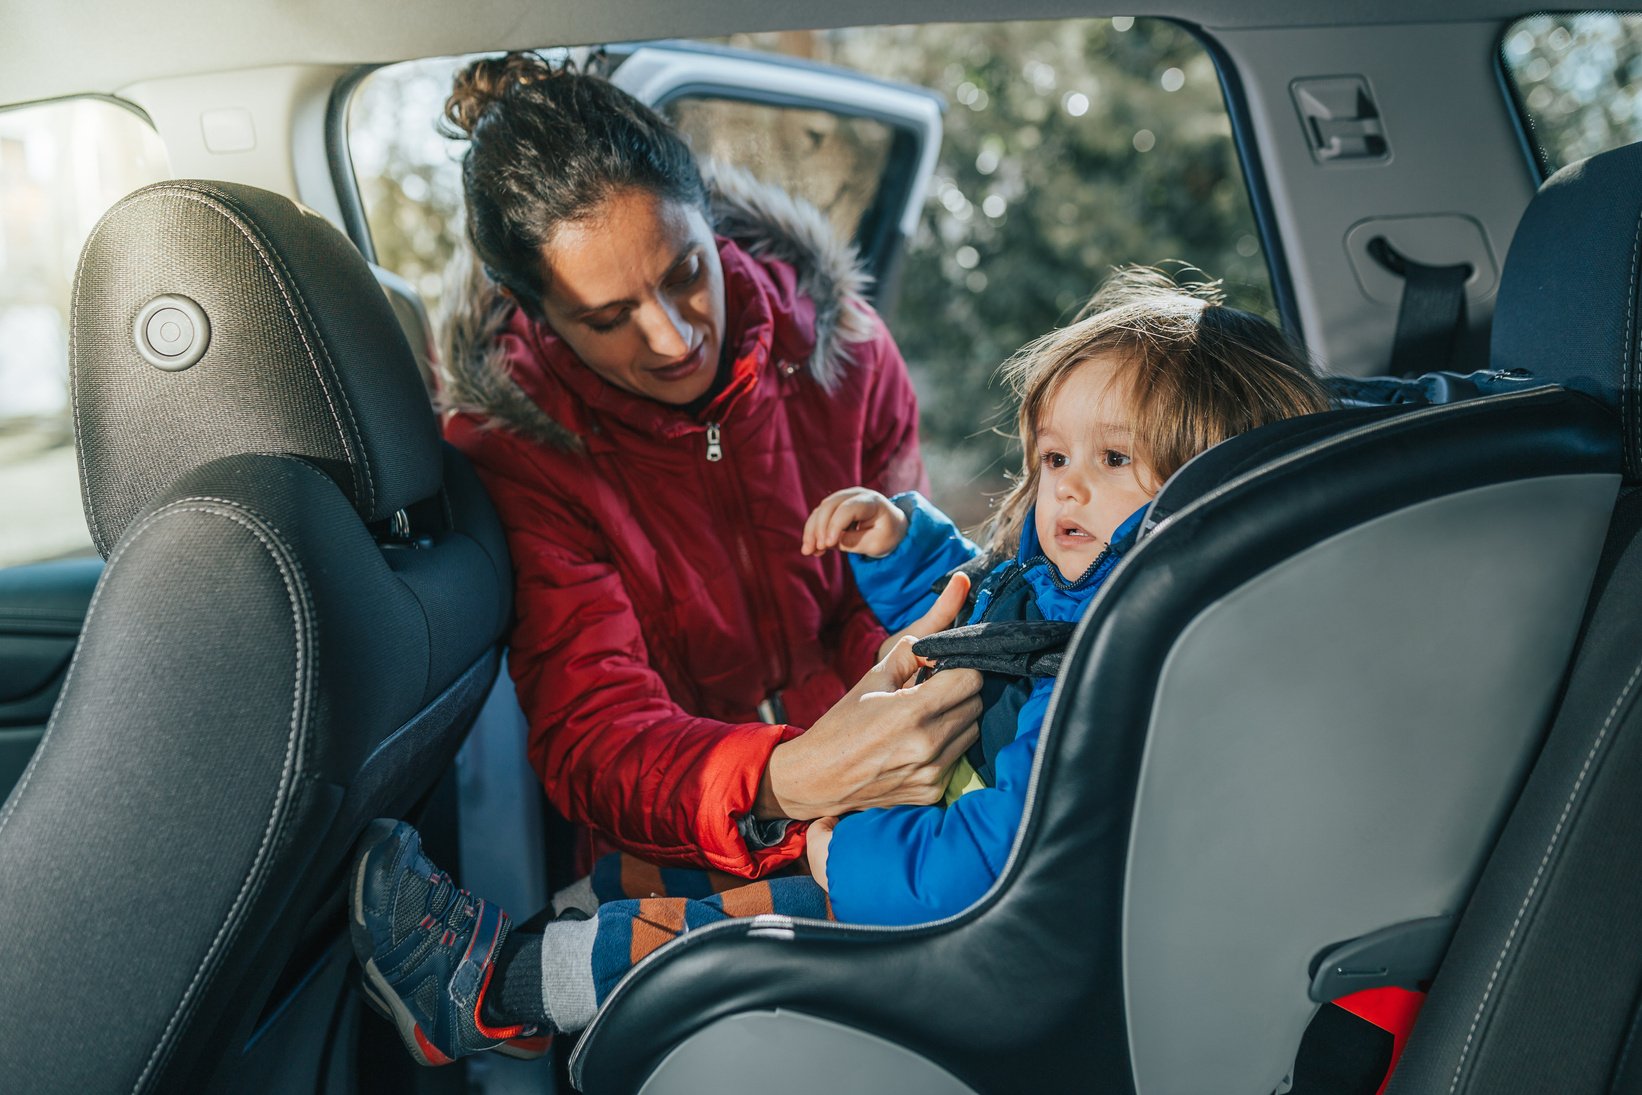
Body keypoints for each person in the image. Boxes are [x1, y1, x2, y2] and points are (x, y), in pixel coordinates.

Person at [349, 267, 1335, 1063]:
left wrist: (839, 852)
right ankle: (532, 945)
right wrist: (903, 546)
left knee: (710, 928)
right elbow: (976, 621)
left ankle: (488, 994)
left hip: (942, 904)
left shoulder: (1119, 667)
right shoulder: (1064, 588)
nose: (1068, 486)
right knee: (634, 876)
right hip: (904, 825)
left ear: (1208, 485)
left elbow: (990, 868)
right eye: (1052, 459)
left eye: (1112, 461)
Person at [436, 49, 985, 888]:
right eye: (609, 317)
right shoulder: (518, 453)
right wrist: (784, 780)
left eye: (685, 272)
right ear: (536, 312)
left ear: (708, 220)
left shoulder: (850, 353)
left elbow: (901, 592)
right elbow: (597, 728)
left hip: (891, 797)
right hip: (681, 837)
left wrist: (898, 713)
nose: (671, 338)